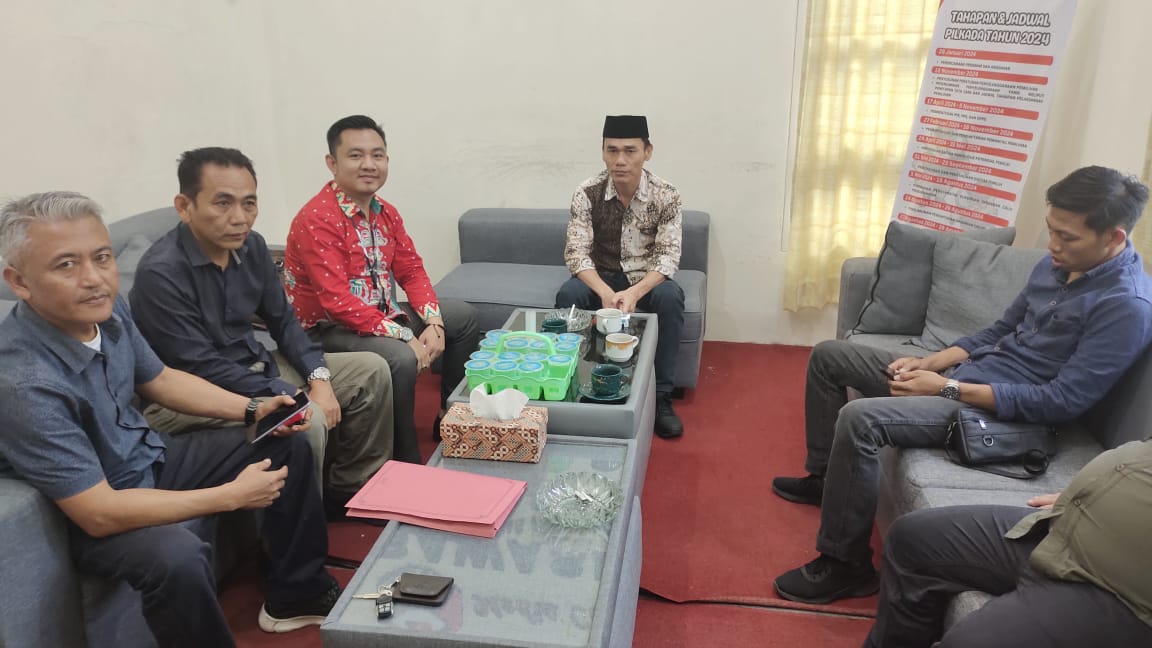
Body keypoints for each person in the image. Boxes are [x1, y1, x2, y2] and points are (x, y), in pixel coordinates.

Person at [771, 166, 1152, 605]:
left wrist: (943, 388)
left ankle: (846, 565)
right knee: (829, 356)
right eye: (1051, 230)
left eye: (1067, 237)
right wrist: (930, 362)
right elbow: (1001, 329)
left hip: (1007, 414)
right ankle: (826, 479)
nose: (1053, 245)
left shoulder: (1125, 306)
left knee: (861, 419)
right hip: (968, 377)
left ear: (1114, 238)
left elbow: (1060, 402)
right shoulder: (1056, 266)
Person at [0, 192, 340, 646]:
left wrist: (252, 409)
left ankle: (297, 595)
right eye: (66, 265)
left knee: (284, 443)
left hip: (147, 458)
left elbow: (159, 379)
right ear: (19, 282)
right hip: (93, 508)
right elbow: (98, 513)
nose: (93, 278)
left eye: (101, 257)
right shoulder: (23, 382)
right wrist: (229, 496)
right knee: (176, 556)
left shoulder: (107, 311)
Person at [130, 147, 395, 518]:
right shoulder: (161, 274)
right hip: (189, 397)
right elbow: (200, 366)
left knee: (371, 370)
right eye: (223, 203)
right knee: (306, 417)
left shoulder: (251, 246)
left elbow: (284, 321)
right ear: (184, 206)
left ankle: (351, 492)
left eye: (249, 203)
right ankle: (305, 521)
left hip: (255, 367)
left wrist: (318, 378)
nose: (239, 218)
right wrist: (288, 393)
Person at [283, 115, 479, 462]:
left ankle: (448, 416)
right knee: (401, 357)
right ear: (332, 163)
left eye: (377, 155)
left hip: (379, 317)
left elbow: (411, 270)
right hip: (326, 329)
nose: (369, 164)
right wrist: (404, 336)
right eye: (355, 155)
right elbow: (337, 302)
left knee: (461, 317)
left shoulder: (386, 213)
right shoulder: (317, 218)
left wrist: (433, 322)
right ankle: (403, 460)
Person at [865, 439, 1152, 647]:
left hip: (1114, 587)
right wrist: (1101, 486)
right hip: (1063, 525)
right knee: (913, 540)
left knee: (969, 642)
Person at [556, 114, 686, 439]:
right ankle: (574, 384)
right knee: (569, 296)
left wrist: (635, 292)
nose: (620, 160)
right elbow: (576, 253)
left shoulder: (666, 195)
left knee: (671, 297)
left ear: (647, 152)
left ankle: (662, 397)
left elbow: (668, 257)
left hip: (646, 280)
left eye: (630, 151)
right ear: (603, 152)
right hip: (601, 276)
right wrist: (603, 291)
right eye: (612, 150)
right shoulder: (587, 192)